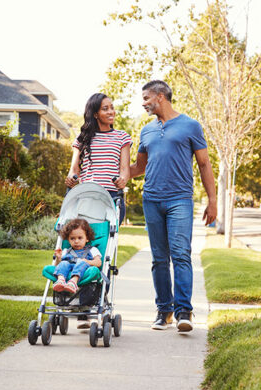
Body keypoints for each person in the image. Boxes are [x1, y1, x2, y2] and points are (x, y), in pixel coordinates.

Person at [130, 80, 217, 333]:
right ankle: (164, 310)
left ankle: (184, 312)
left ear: (160, 96)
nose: (144, 103)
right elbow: (139, 168)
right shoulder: (146, 130)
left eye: (146, 98)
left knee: (180, 254)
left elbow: (204, 164)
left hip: (180, 199)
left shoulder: (190, 125)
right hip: (151, 199)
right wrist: (111, 173)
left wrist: (212, 201)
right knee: (159, 259)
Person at [65, 93, 132, 224]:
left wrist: (122, 180)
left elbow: (124, 169)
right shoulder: (82, 138)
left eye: (112, 108)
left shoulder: (122, 137)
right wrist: (71, 179)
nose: (111, 112)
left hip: (112, 197)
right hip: (86, 196)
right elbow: (74, 169)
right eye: (105, 109)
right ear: (95, 114)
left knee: (108, 240)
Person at [53, 218, 102, 294]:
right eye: (72, 238)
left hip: (83, 270)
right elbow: (57, 266)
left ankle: (73, 282)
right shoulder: (66, 251)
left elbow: (98, 262)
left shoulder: (92, 250)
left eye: (80, 238)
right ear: (68, 240)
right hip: (68, 269)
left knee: (81, 262)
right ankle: (61, 280)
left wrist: (87, 262)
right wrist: (58, 258)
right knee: (64, 263)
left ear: (87, 238)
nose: (76, 241)